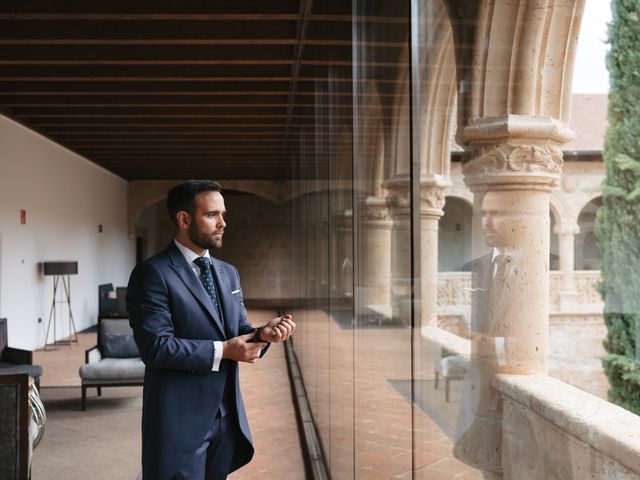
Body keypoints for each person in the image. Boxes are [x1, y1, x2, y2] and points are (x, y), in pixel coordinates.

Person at [126, 179, 295, 480]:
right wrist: (225, 350)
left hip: (227, 418)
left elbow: (238, 329)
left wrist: (262, 334)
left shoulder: (228, 273)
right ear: (184, 219)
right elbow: (155, 347)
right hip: (180, 421)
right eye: (212, 215)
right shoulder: (152, 274)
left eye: (223, 214)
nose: (223, 223)